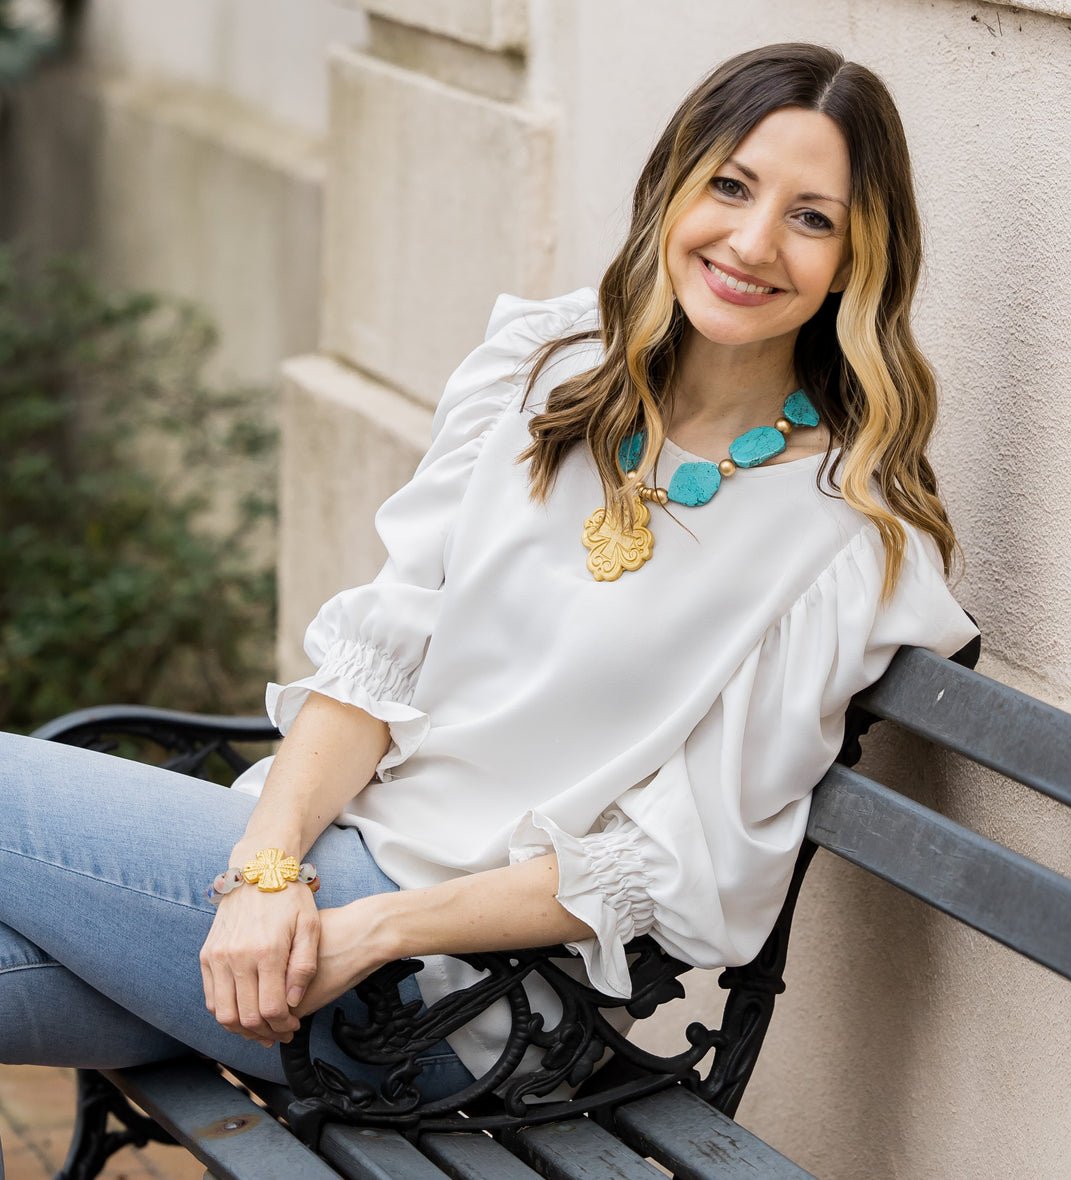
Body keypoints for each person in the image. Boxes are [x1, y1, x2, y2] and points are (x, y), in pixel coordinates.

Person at [0, 40, 977, 1131]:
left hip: (449, 995)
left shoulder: (840, 539)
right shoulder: (546, 365)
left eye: (811, 217)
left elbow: (662, 868)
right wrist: (267, 872)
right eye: (731, 186)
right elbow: (375, 662)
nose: (751, 243)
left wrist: (376, 930)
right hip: (299, 897)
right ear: (673, 185)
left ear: (856, 257)